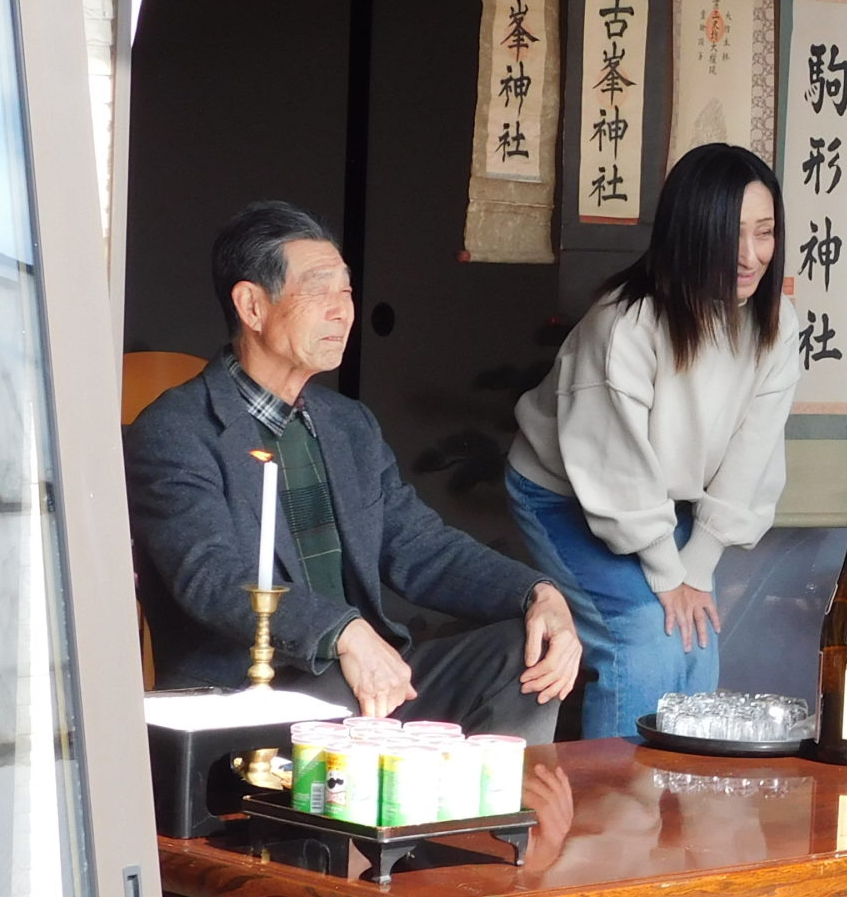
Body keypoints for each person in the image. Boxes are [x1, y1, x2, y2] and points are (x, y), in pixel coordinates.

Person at [127, 202, 580, 732]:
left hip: (364, 675)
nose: (342, 312)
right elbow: (211, 576)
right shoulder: (177, 430)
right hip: (255, 688)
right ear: (252, 306)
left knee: (524, 652)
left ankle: (497, 790)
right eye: (319, 292)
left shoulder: (347, 424)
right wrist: (342, 631)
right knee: (347, 684)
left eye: (345, 292)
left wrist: (537, 593)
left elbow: (421, 547)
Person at [507, 143, 800, 739]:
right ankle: (618, 798)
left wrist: (697, 568)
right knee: (644, 636)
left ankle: (678, 796)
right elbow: (614, 470)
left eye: (765, 233)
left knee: (696, 641)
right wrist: (669, 575)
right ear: (690, 235)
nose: (750, 256)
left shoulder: (776, 324)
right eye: (730, 235)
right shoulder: (626, 324)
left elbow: (752, 455)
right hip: (567, 495)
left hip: (663, 503)